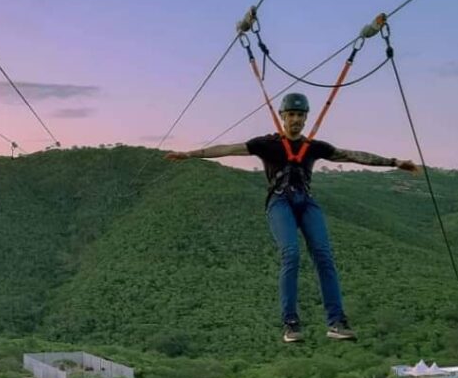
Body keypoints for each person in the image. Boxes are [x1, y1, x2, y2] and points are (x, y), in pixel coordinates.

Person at [165, 92, 418, 343]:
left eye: (300, 115)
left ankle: (336, 322)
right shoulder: (267, 144)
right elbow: (229, 148)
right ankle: (290, 323)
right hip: (280, 202)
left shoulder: (314, 147)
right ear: (282, 117)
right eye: (291, 115)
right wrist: (190, 154)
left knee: (323, 255)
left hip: (306, 202)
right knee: (291, 253)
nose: (295, 119)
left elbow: (352, 155)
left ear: (306, 118)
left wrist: (395, 162)